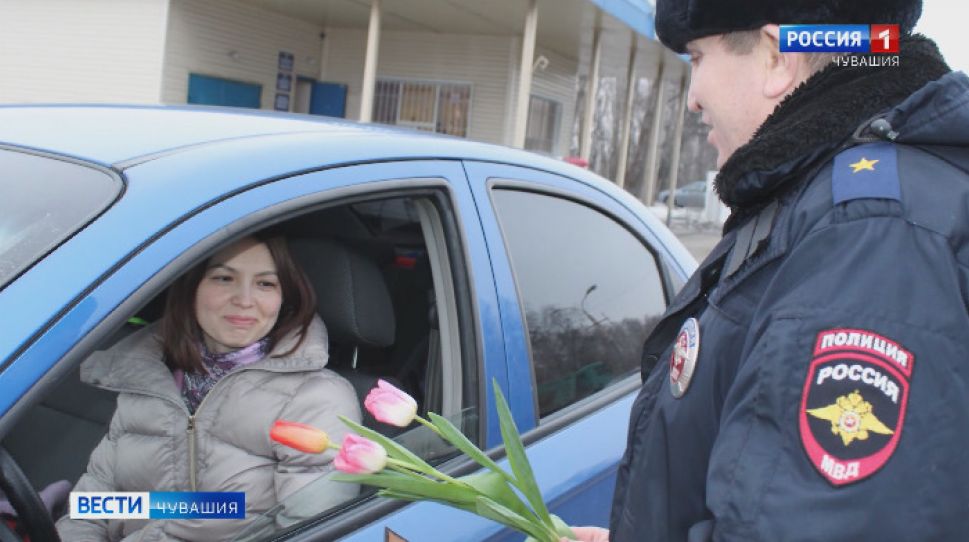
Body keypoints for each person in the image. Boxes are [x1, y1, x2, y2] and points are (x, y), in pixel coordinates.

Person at [569, 0, 969, 540]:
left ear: (781, 57)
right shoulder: (817, 200)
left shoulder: (866, 232)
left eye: (696, 58)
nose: (692, 98)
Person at [57, 235, 361, 541]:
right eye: (224, 278)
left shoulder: (317, 399)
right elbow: (91, 509)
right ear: (190, 290)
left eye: (265, 284)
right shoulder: (148, 379)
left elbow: (309, 531)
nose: (244, 300)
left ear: (285, 298)